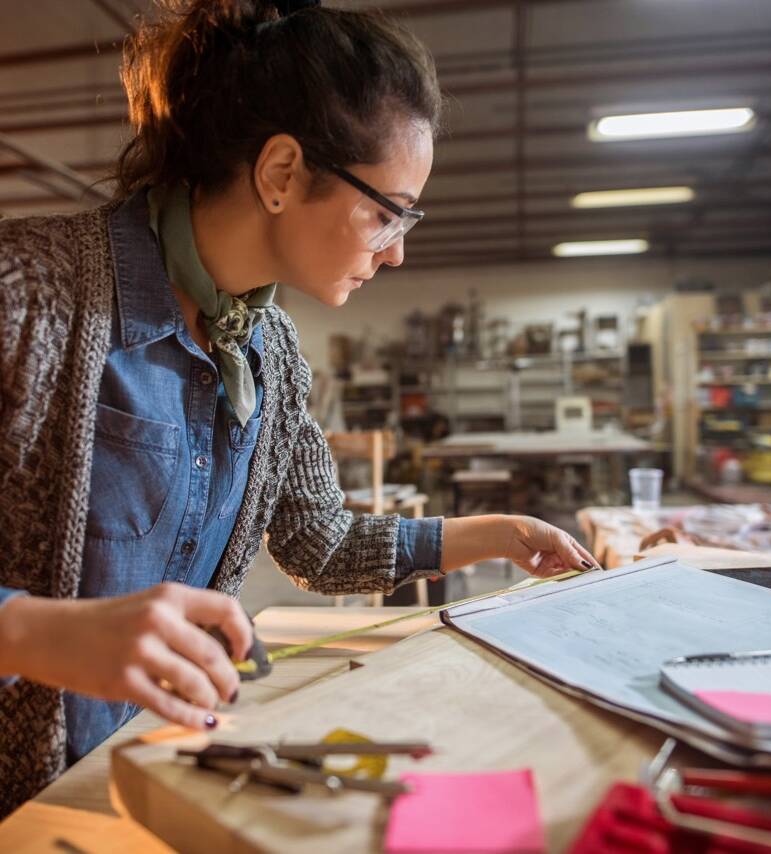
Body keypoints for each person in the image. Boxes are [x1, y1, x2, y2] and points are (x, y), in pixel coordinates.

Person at [0, 0, 598, 816]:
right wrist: (40, 634)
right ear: (281, 174)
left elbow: (321, 542)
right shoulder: (28, 299)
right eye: (387, 212)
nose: (397, 251)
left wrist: (496, 536)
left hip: (133, 781)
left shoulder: (269, 352)